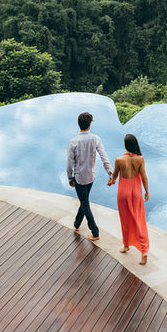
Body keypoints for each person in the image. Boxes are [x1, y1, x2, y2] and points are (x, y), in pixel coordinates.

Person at [67, 111, 113, 241]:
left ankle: (95, 232)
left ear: (79, 124)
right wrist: (110, 173)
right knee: (84, 201)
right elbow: (104, 158)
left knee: (85, 203)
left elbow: (70, 163)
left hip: (79, 178)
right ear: (89, 124)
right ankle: (77, 224)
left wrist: (70, 178)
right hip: (91, 176)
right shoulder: (96, 139)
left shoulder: (73, 142)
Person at [108, 133, 149, 264]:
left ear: (125, 145)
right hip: (136, 193)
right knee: (139, 220)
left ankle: (126, 245)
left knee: (125, 220)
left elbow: (114, 177)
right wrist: (147, 191)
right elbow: (144, 177)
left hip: (123, 193)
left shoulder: (119, 160)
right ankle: (143, 251)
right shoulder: (140, 159)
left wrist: (111, 181)